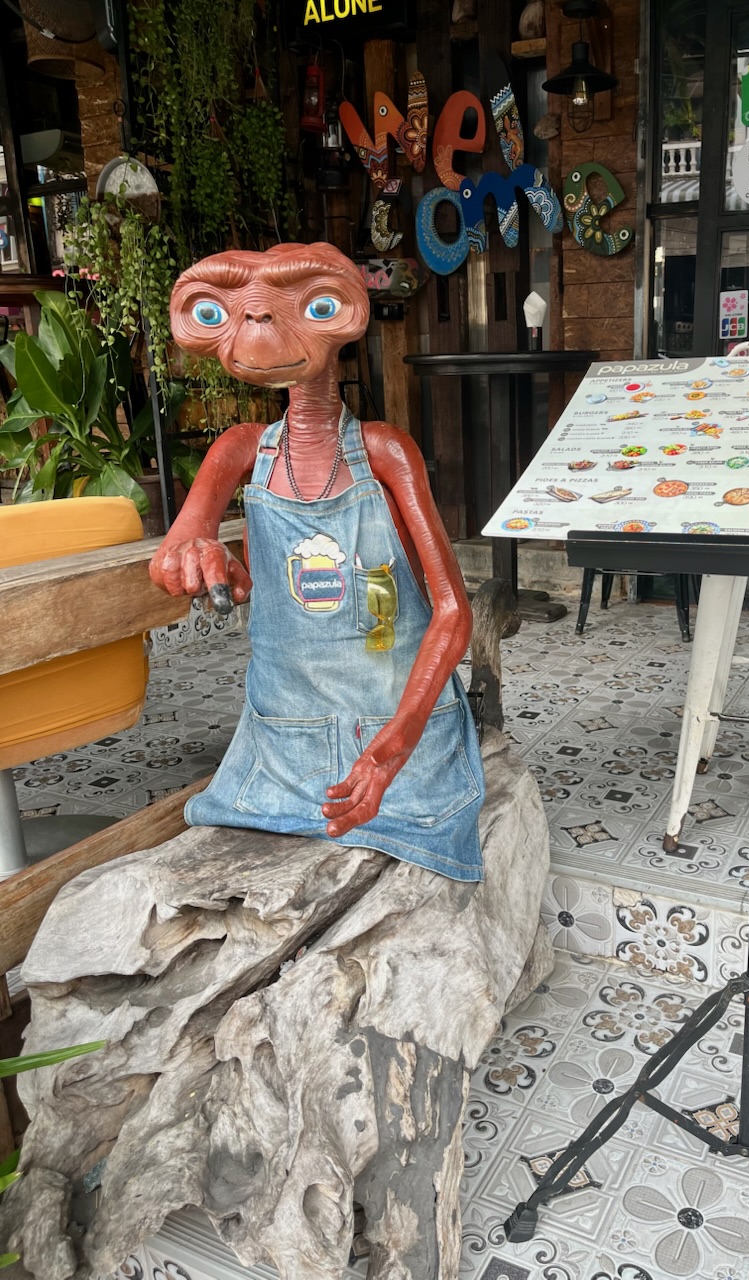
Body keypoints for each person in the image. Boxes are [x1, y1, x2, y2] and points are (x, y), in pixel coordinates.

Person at [149, 241, 485, 881]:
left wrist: (395, 746)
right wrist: (197, 548)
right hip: (283, 738)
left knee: (406, 875)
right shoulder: (240, 450)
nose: (259, 323)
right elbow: (172, 557)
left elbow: (452, 613)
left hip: (397, 733)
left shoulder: (386, 450)